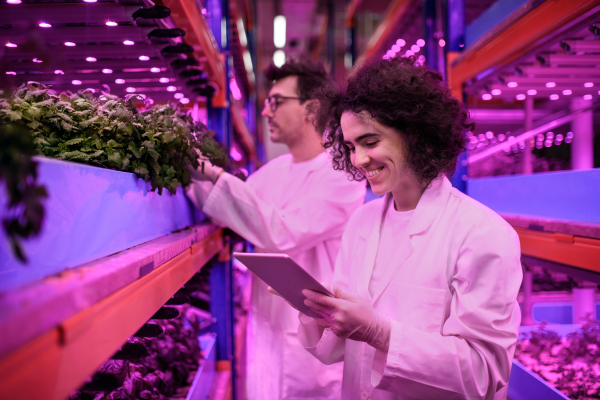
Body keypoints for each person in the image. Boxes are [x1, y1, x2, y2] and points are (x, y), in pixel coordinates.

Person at [295, 57, 522, 400]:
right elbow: (336, 352)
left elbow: (482, 374)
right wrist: (321, 313)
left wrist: (379, 332)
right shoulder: (362, 222)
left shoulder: (482, 233)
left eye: (370, 142)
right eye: (351, 146)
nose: (358, 160)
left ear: (415, 136)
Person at [186, 59, 366, 399]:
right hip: (267, 329)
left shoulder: (342, 175)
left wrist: (212, 174)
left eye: (276, 101)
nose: (267, 112)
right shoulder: (273, 171)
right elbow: (230, 210)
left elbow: (281, 232)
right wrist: (185, 175)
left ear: (311, 107)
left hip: (313, 343)